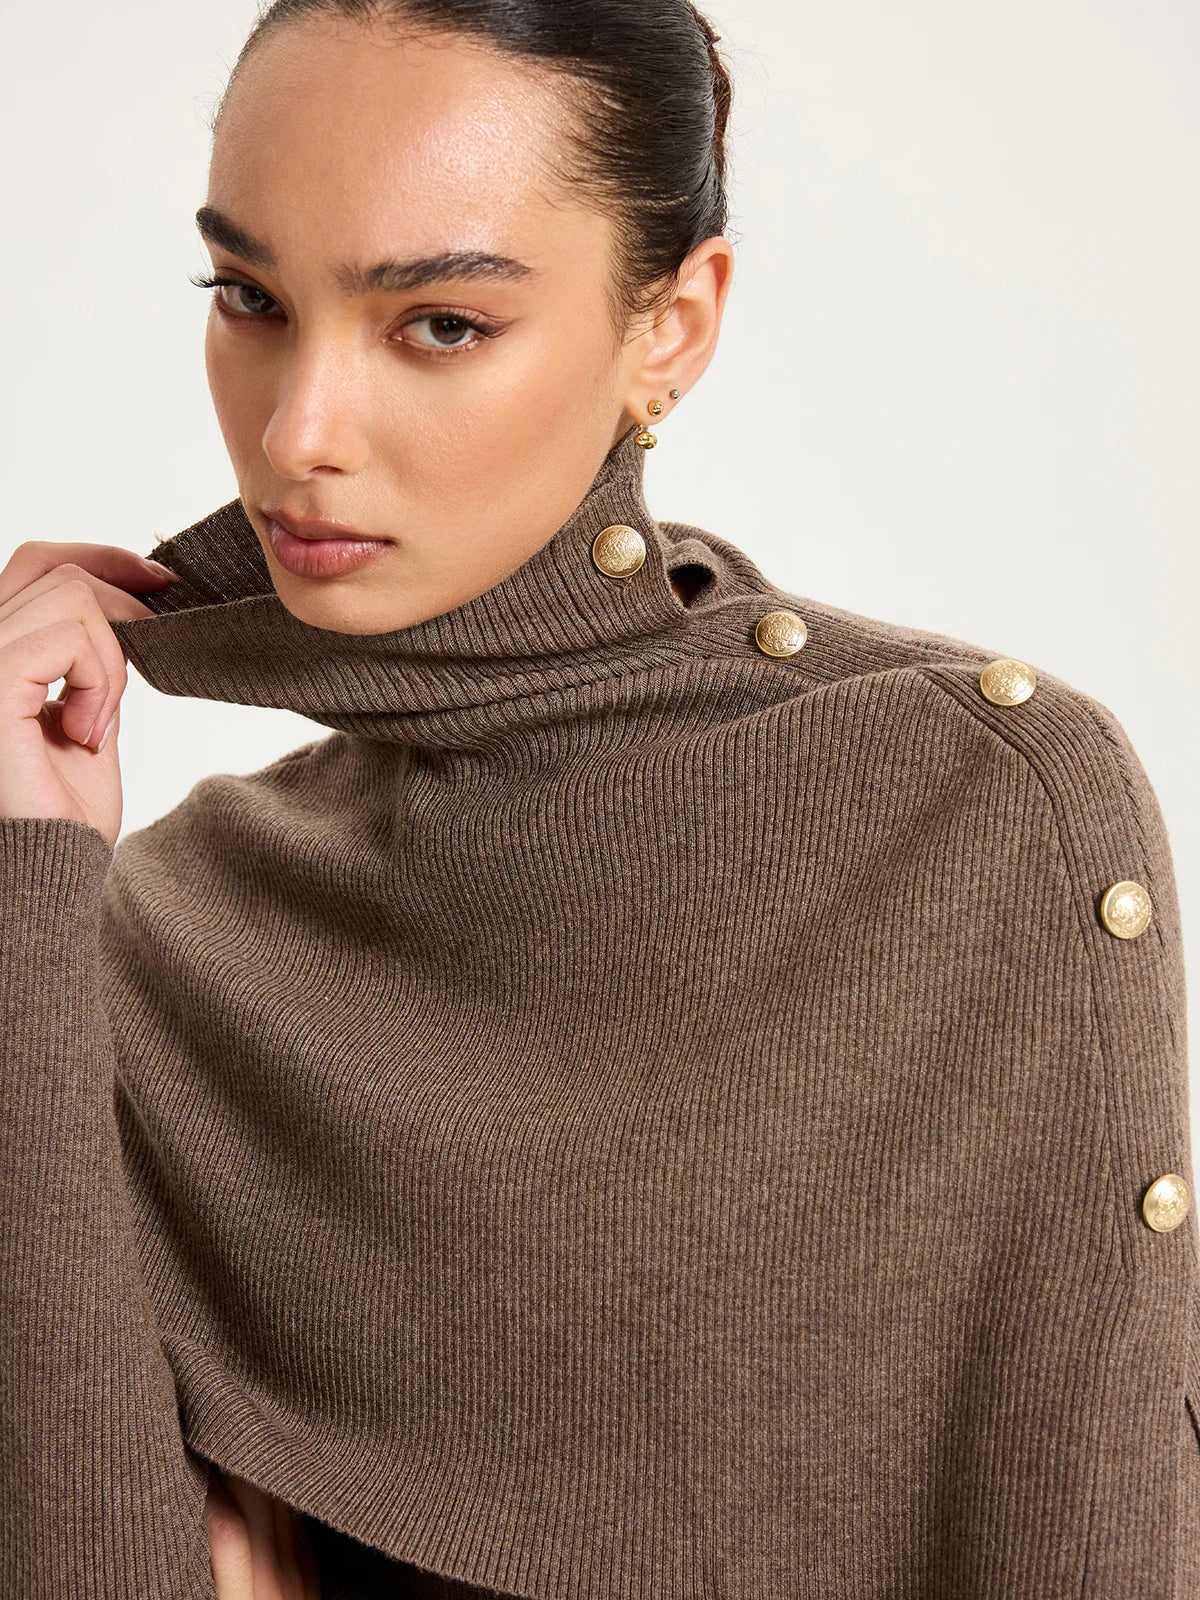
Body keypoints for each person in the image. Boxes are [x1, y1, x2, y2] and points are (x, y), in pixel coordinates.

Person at [2, 2, 1197, 1597]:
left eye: (440, 323)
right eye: (250, 298)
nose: (296, 433)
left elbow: (1090, 1534)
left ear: (672, 328)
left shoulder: (970, 816)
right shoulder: (152, 931)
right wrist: (19, 877)